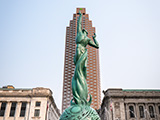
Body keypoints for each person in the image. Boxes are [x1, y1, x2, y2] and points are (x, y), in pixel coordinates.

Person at [71, 10, 99, 105]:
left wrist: (94, 38)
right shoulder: (80, 35)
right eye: (84, 31)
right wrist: (80, 16)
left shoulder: (86, 39)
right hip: (79, 51)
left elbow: (97, 46)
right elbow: (79, 24)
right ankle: (79, 97)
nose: (84, 32)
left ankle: (82, 95)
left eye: (85, 32)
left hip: (82, 52)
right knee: (79, 71)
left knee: (83, 71)